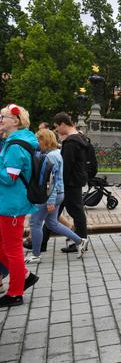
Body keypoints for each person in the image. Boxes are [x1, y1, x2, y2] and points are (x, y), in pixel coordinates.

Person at [26, 129, 89, 264]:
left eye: (39, 140)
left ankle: (36, 255)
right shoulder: (56, 153)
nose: (37, 143)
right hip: (59, 193)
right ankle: (80, 240)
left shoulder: (50, 156)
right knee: (52, 223)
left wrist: (51, 200)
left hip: (50, 194)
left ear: (45, 141)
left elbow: (51, 180)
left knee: (35, 222)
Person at [0, 104, 39, 308]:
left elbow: (9, 177)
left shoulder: (15, 146)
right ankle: (24, 276)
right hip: (8, 203)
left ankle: (15, 293)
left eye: (3, 117)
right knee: (4, 247)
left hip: (11, 205)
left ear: (15, 121)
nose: (0, 121)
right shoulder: (15, 142)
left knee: (13, 249)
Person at [51, 112, 93, 254]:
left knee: (75, 211)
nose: (56, 130)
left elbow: (66, 165)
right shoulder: (81, 138)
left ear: (63, 124)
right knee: (57, 212)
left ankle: (81, 240)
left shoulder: (71, 142)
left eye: (57, 127)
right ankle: (40, 241)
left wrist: (59, 182)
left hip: (69, 182)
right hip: (76, 180)